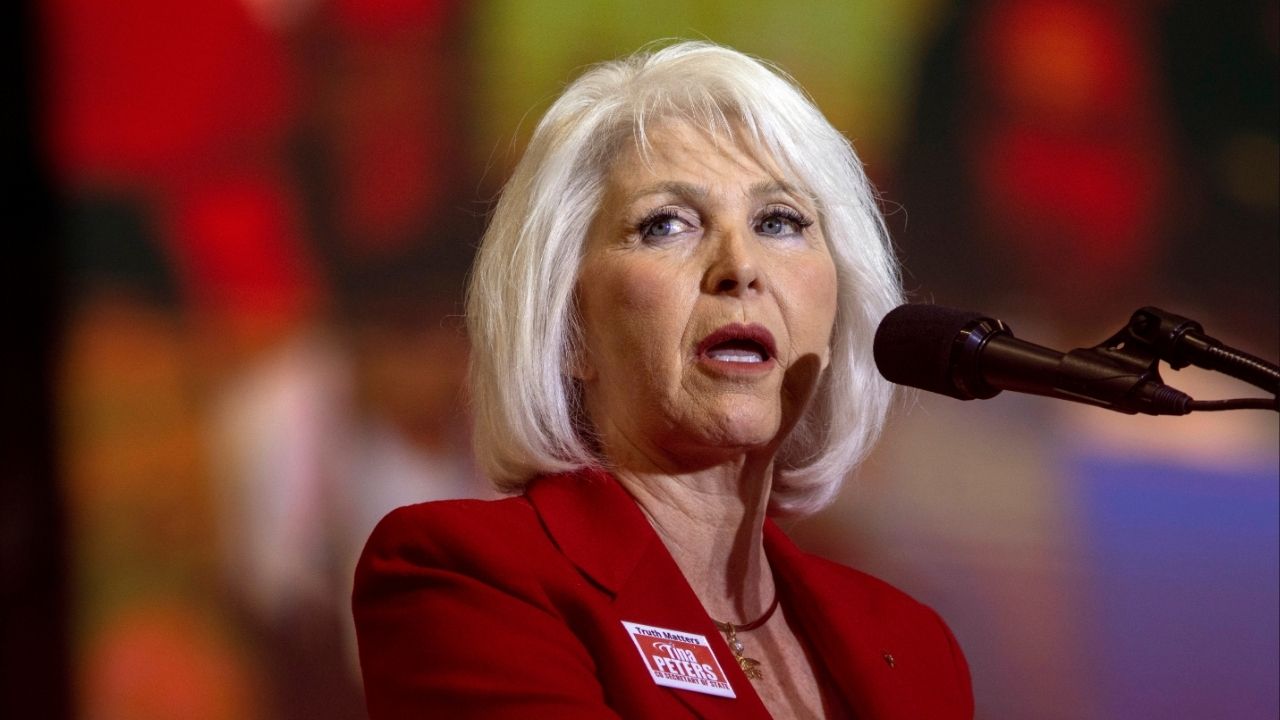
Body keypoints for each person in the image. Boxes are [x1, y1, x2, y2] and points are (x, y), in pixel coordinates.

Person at [352, 40, 974, 719]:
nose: (739, 266)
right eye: (665, 224)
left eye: (779, 221)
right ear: (568, 328)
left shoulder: (911, 644)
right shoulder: (470, 578)